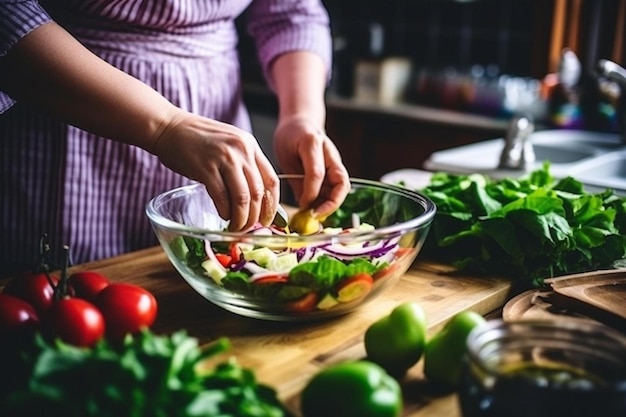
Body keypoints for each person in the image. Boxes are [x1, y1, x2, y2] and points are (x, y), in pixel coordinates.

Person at [0, 0, 350, 277]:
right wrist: (165, 125)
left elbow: (290, 11)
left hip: (214, 109)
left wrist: (301, 115)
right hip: (72, 106)